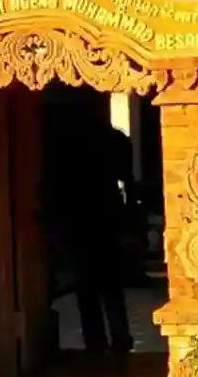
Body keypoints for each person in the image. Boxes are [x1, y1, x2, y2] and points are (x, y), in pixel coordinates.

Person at [46, 106, 136, 354]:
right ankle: (119, 339)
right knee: (110, 287)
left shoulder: (65, 144)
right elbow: (127, 180)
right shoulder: (115, 140)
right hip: (104, 216)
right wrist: (129, 219)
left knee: (88, 288)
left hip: (80, 218)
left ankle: (95, 342)